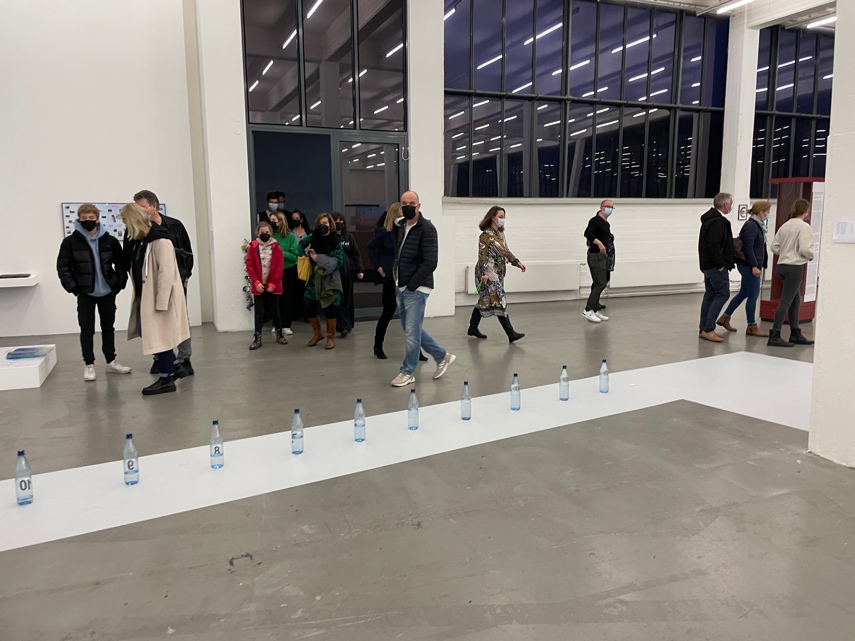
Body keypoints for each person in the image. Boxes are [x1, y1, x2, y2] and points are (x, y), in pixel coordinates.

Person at [121, 203, 191, 396]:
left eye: (126, 221)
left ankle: (166, 379)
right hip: (148, 296)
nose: (125, 226)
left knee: (161, 338)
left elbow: (166, 273)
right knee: (155, 335)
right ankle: (175, 367)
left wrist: (162, 302)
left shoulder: (160, 240)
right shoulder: (143, 241)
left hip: (160, 299)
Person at [56, 203, 132, 381]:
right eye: (84, 218)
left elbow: (121, 264)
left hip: (107, 292)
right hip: (85, 293)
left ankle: (111, 361)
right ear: (79, 219)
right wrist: (74, 288)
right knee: (86, 329)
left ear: (97, 219)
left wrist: (118, 285)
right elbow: (63, 267)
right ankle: (89, 364)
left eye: (91, 218)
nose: (88, 221)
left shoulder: (110, 241)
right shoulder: (70, 242)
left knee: (108, 328)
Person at [390, 190, 455, 387]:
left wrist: (412, 285)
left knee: (411, 333)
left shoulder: (427, 229)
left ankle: (408, 372)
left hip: (416, 289)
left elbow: (430, 262)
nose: (408, 206)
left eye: (412, 203)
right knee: (412, 329)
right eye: (404, 203)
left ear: (418, 206)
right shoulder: (402, 226)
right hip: (401, 285)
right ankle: (442, 356)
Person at [132, 189, 195, 378]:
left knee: (179, 317)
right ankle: (161, 357)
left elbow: (187, 250)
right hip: (149, 284)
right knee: (154, 322)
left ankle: (184, 359)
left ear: (154, 206)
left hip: (176, 280)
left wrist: (186, 274)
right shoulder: (138, 230)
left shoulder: (175, 226)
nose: (139, 211)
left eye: (142, 207)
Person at [467, 206, 527, 342]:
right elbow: (482, 255)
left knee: (484, 300)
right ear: (492, 218)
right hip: (488, 273)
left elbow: (506, 252)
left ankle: (472, 327)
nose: (502, 219)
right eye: (500, 217)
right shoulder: (485, 236)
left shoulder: (500, 234)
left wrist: (517, 263)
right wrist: (484, 273)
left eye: (503, 217)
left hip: (498, 272)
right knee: (499, 301)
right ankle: (511, 333)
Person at [718, 201, 771, 337]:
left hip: (749, 265)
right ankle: (751, 325)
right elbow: (748, 247)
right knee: (753, 295)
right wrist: (754, 266)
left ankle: (725, 317)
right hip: (748, 265)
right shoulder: (752, 226)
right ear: (761, 212)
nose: (768, 214)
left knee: (744, 292)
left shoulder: (757, 225)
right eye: (767, 212)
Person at [768, 199, 816, 348]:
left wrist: (786, 252)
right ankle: (775, 335)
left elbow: (774, 247)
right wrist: (810, 256)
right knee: (786, 301)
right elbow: (805, 249)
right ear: (806, 211)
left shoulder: (785, 225)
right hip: (794, 267)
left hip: (782, 265)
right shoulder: (804, 227)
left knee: (795, 300)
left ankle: (795, 333)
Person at [298, 213, 343, 350]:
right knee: (308, 305)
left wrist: (319, 259)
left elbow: (338, 262)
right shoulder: (312, 237)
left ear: (330, 225)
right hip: (313, 278)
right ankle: (317, 334)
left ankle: (330, 338)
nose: (323, 225)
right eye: (320, 223)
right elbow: (300, 245)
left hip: (330, 279)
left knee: (330, 308)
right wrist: (304, 256)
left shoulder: (336, 241)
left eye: (326, 223)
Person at [697, 192, 735, 343]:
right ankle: (708, 329)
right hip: (715, 266)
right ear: (725, 205)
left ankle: (704, 328)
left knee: (710, 294)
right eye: (731, 204)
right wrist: (720, 264)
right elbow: (714, 245)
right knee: (722, 294)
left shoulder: (708, 220)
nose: (731, 206)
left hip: (707, 265)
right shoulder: (718, 222)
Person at [245, 221, 288, 350]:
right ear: (257, 233)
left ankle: (279, 334)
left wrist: (273, 283)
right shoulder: (253, 247)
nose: (265, 234)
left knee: (276, 311)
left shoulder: (277, 248)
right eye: (262, 232)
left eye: (267, 232)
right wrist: (256, 282)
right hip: (259, 285)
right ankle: (257, 338)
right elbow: (250, 266)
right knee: (259, 313)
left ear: (271, 233)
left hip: (273, 285)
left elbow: (279, 267)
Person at [368, 203, 402, 359]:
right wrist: (378, 266)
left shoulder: (406, 231)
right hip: (390, 276)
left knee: (410, 315)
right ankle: (378, 345)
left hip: (404, 276)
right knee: (388, 312)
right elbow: (370, 247)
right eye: (401, 210)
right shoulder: (384, 232)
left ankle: (417, 350)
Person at [582, 200, 615, 323]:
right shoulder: (595, 220)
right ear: (601, 207)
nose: (610, 209)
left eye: (612, 207)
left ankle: (594, 309)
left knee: (599, 282)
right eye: (607, 206)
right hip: (595, 255)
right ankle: (588, 309)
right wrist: (598, 243)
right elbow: (587, 233)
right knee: (600, 283)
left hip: (603, 256)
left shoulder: (606, 224)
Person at [332, 212, 364, 337]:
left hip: (348, 272)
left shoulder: (349, 237)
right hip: (334, 274)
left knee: (348, 300)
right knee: (338, 300)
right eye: (336, 221)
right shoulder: (330, 237)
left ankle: (348, 324)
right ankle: (342, 326)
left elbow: (356, 254)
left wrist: (360, 270)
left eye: (341, 221)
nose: (338, 223)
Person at [270, 211, 299, 336]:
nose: (272, 222)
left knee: (287, 298)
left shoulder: (290, 236)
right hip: (273, 271)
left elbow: (294, 256)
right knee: (275, 298)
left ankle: (286, 325)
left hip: (288, 270)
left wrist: (280, 253)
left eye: (274, 220)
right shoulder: (270, 235)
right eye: (271, 220)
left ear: (281, 221)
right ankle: (276, 324)